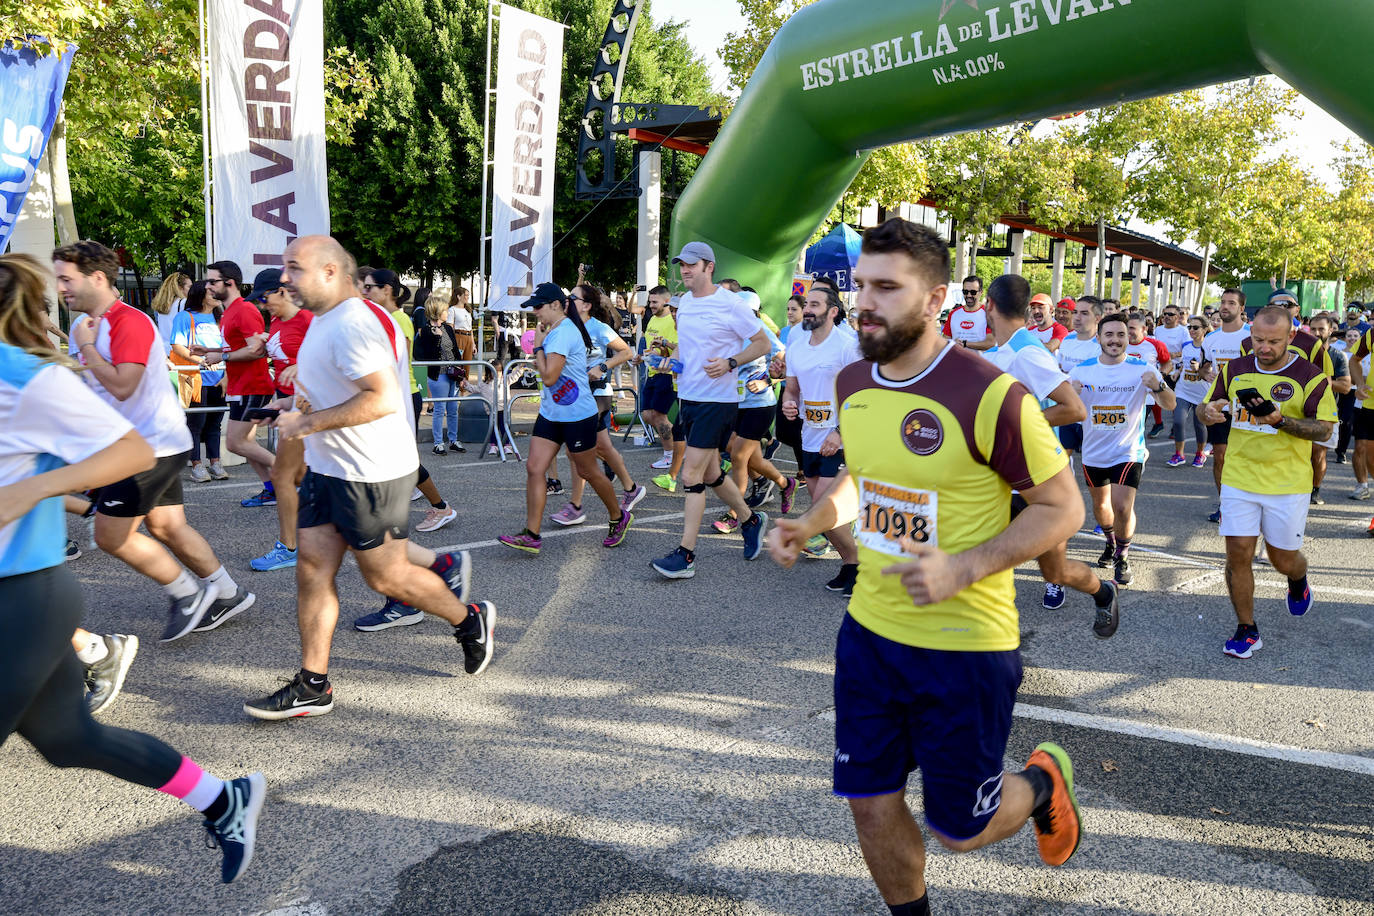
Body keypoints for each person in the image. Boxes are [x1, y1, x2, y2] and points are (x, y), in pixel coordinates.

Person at [767, 220, 1084, 916]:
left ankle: (1039, 783)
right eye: (860, 287)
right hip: (870, 637)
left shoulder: (988, 392)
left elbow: (1062, 509)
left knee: (960, 830)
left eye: (887, 288)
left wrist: (965, 567)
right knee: (868, 803)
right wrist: (810, 522)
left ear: (936, 298)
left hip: (965, 649)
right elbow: (865, 477)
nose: (866, 303)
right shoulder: (854, 381)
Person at [0, 252, 267, 884]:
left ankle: (208, 593)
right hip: (29, 594)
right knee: (68, 739)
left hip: (22, 594)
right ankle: (222, 799)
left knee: (137, 532)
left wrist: (29, 492)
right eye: (56, 281)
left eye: (72, 279)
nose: (65, 290)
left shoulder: (28, 373)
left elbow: (128, 444)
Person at [245, 236, 494, 718]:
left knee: (387, 577)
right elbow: (336, 387)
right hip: (327, 466)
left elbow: (382, 399)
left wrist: (307, 423)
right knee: (313, 569)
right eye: (285, 269)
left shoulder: (353, 324)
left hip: (370, 472)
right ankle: (313, 684)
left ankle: (470, 619)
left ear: (331, 272)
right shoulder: (323, 319)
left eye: (295, 268)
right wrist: (293, 403)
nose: (285, 278)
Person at [57, 241, 255, 641]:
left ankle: (185, 595)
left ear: (97, 277)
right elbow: (96, 385)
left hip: (147, 448)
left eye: (67, 278)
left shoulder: (126, 321)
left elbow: (124, 386)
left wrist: (90, 350)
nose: (60, 287)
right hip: (149, 442)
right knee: (167, 526)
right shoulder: (86, 326)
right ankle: (227, 592)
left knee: (110, 536)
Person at [1198, 305, 1335, 658]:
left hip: (1287, 484)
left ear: (1291, 336)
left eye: (1273, 341)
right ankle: (1247, 629)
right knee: (1238, 554)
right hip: (1239, 479)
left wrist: (1280, 421)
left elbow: (1324, 429)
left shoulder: (1311, 376)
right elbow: (1207, 405)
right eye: (1257, 339)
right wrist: (1208, 411)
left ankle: (1298, 578)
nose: (1264, 347)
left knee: (1282, 558)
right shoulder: (1235, 370)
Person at [984, 275, 1117, 636]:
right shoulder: (1001, 352)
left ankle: (1103, 592)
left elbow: (1074, 409)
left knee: (1054, 571)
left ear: (989, 305)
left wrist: (1019, 428)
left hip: (1043, 477)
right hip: (1004, 474)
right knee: (986, 551)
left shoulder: (1027, 352)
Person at [650, 243, 771, 579]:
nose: (685, 270)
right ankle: (750, 520)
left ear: (709, 267)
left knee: (690, 476)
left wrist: (732, 361)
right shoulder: (685, 304)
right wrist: (671, 363)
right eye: (682, 265)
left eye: (691, 265)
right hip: (688, 396)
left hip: (717, 402)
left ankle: (686, 555)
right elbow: (692, 351)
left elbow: (764, 344)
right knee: (710, 474)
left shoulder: (731, 305)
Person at [497, 283, 633, 554]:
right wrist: (543, 355)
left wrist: (537, 349)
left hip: (577, 416)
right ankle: (532, 535)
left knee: (588, 471)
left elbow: (549, 378)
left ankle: (619, 516)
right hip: (552, 413)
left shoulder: (561, 334)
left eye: (538, 307)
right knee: (535, 468)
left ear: (556, 305)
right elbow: (552, 374)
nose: (535, 312)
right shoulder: (557, 330)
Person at [1070, 314, 1175, 587]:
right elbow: (1066, 408)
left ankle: (1123, 555)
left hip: (1128, 451)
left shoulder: (1142, 369)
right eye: (1109, 335)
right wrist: (1071, 393)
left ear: (1128, 338)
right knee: (1101, 507)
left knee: (1121, 506)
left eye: (1120, 334)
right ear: (1099, 338)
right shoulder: (1082, 370)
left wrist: (1159, 385)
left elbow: (1170, 404)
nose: (1115, 340)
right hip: (1093, 452)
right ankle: (1110, 542)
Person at [781, 283, 863, 594]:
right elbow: (792, 388)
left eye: (815, 304)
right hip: (810, 436)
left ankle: (858, 563)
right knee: (824, 512)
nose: (808, 309)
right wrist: (789, 403)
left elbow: (861, 392)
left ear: (832, 312)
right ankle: (850, 565)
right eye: (807, 304)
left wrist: (840, 432)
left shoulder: (847, 344)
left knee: (823, 507)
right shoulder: (797, 345)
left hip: (839, 437)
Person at [549, 284, 646, 526]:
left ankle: (576, 506)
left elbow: (625, 352)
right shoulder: (567, 325)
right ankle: (631, 487)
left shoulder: (598, 327)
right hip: (576, 395)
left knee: (576, 452)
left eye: (573, 297)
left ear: (586, 305)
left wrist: (602, 367)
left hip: (597, 394)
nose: (568, 300)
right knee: (603, 448)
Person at [248, 268, 314, 571]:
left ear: (283, 291)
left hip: (313, 409)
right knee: (299, 478)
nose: (263, 305)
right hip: (292, 404)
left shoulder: (309, 320)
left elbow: (332, 362)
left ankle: (289, 547)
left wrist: (302, 369)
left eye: (265, 297)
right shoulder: (275, 321)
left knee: (283, 477)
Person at [200, 260, 277, 507]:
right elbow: (237, 347)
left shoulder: (244, 310)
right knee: (245, 444)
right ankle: (272, 490)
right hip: (240, 386)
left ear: (229, 283)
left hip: (253, 385)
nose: (208, 286)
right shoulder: (227, 311)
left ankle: (291, 477)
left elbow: (256, 351)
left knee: (236, 443)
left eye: (213, 281)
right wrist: (211, 349)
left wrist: (221, 356)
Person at [1200, 288, 1252, 522]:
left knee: (1244, 457)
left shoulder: (1252, 336)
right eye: (1223, 302)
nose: (1225, 306)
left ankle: (1247, 504)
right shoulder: (1211, 338)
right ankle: (1226, 507)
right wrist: (1206, 374)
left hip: (1247, 405)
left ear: (1241, 308)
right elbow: (1203, 367)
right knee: (1220, 456)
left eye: (1231, 303)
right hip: (1219, 405)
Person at [168, 281, 228, 483]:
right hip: (195, 378)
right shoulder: (185, 316)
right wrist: (202, 361)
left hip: (219, 379)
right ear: (200, 294)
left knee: (215, 423)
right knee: (196, 423)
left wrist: (226, 375)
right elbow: (178, 346)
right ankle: (196, 465)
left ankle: (215, 462)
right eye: (211, 292)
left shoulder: (221, 317)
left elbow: (229, 350)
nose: (215, 294)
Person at [1305, 312, 1352, 504]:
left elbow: (1346, 387)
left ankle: (1315, 490)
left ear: (1330, 331)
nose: (1316, 333)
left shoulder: (1337, 356)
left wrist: (1323, 383)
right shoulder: (1300, 353)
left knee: (1318, 452)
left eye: (1321, 329)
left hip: (1326, 412)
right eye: (1313, 329)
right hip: (1301, 410)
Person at [414, 289, 464, 456]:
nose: (447, 313)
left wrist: (461, 372)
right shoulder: (427, 331)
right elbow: (423, 353)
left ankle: (453, 440)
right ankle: (438, 443)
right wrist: (436, 338)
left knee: (452, 408)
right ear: (437, 311)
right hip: (438, 374)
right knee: (439, 408)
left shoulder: (448, 329)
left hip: (452, 374)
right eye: (445, 310)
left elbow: (455, 351)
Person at [1055, 296, 1104, 464]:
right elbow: (1058, 370)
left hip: (1092, 415)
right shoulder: (1067, 340)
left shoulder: (1103, 345)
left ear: (1097, 318)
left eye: (1084, 313)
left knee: (1094, 467)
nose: (1077, 317)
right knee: (1060, 460)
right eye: (1075, 312)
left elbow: (1100, 380)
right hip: (1068, 411)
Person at [640, 285, 679, 471]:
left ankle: (670, 456)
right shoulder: (652, 320)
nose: (651, 305)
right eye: (650, 302)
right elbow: (654, 349)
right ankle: (679, 442)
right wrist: (640, 357)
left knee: (658, 415)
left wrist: (662, 348)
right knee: (647, 414)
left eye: (654, 302)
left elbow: (676, 350)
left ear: (666, 301)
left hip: (667, 373)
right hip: (652, 372)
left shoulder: (673, 321)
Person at [1167, 314, 1212, 468]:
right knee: (1178, 421)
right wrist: (1177, 373)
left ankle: (1200, 454)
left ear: (1205, 329)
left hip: (1202, 392)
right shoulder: (1186, 346)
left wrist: (1200, 368)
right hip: (1183, 390)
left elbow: (1212, 371)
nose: (1191, 330)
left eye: (1196, 327)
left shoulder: (1209, 347)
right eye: (1190, 327)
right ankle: (1179, 454)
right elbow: (1183, 364)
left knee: (1199, 425)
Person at [1125, 315, 1173, 439]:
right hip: (1123, 393)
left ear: (1144, 329)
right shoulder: (1121, 343)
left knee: (1133, 431)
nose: (1129, 332)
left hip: (1146, 397)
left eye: (1132, 328)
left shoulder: (1156, 345)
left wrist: (1159, 377)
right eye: (1127, 328)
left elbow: (1167, 363)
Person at [941, 275, 993, 350]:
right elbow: (945, 340)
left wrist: (965, 344)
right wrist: (951, 343)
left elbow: (990, 343)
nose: (969, 295)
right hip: (956, 361)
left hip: (979, 361)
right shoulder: (953, 314)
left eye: (973, 292)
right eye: (965, 292)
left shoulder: (988, 314)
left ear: (981, 292)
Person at [151, 272, 191, 354]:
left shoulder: (160, 305)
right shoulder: (184, 303)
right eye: (189, 287)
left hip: (164, 351)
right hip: (181, 351)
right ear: (180, 288)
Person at [446, 287, 476, 363]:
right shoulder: (452, 310)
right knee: (458, 362)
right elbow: (450, 327)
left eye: (468, 295)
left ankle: (466, 375)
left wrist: (473, 344)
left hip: (468, 337)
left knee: (467, 363)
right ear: (459, 297)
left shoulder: (467, 310)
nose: (467, 297)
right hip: (458, 337)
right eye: (465, 295)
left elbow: (470, 328)